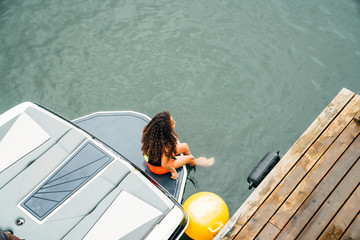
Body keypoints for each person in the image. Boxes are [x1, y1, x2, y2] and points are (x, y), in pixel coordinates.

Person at [141, 111, 214, 180]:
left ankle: (192, 160)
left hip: (154, 158)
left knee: (184, 146)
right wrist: (173, 171)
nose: (175, 122)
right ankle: (196, 163)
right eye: (173, 123)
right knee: (190, 158)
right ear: (166, 129)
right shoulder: (166, 146)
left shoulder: (151, 133)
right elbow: (164, 164)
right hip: (158, 168)